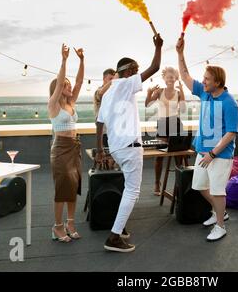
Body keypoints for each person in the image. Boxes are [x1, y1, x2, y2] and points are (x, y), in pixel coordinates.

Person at [96, 33, 164, 252]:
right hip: (130, 147)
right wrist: (158, 47)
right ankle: (114, 237)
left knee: (127, 189)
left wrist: (100, 150)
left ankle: (120, 226)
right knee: (132, 191)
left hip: (116, 147)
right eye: (135, 70)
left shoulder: (107, 93)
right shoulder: (125, 83)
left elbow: (99, 123)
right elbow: (155, 67)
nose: (137, 74)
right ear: (126, 71)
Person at [176, 34, 238, 242]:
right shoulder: (205, 93)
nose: (202, 81)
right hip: (203, 151)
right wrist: (180, 52)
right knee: (200, 186)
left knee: (218, 190)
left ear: (218, 82)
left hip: (220, 155)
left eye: (206, 79)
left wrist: (213, 154)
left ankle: (221, 225)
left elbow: (231, 133)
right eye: (203, 79)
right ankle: (220, 212)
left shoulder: (229, 103)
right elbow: (185, 75)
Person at [48, 44, 84, 243]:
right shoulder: (53, 105)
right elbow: (61, 80)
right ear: (59, 89)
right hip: (60, 149)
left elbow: (79, 82)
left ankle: (70, 222)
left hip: (74, 147)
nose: (70, 87)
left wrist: (81, 61)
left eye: (69, 85)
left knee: (73, 187)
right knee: (62, 189)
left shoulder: (71, 103)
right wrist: (64, 60)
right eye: (66, 85)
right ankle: (57, 226)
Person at [145, 66, 186, 195]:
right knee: (160, 156)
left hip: (175, 123)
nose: (170, 79)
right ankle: (157, 183)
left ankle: (179, 185)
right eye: (168, 77)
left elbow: (184, 110)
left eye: (172, 77)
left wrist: (183, 92)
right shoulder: (159, 92)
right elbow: (147, 105)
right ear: (164, 78)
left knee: (178, 156)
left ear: (176, 79)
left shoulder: (179, 93)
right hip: (162, 123)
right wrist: (149, 93)